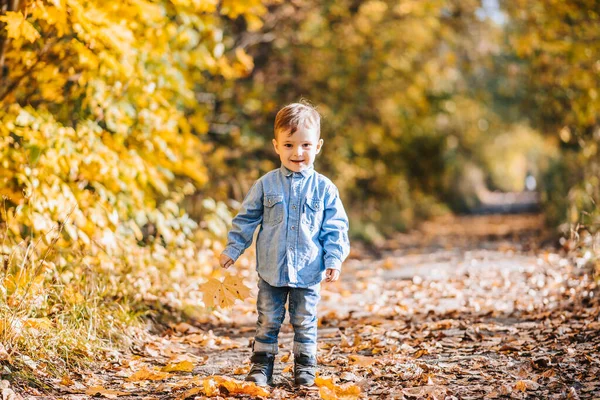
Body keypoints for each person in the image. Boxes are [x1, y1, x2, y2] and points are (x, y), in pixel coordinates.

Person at [219, 101, 350, 386]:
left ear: (318, 146)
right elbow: (246, 219)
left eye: (305, 145)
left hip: (308, 271)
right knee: (268, 320)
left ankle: (305, 368)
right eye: (289, 145)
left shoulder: (325, 189)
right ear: (276, 146)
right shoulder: (266, 185)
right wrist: (233, 249)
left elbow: (335, 228)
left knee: (305, 322)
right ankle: (261, 367)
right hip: (271, 270)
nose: (297, 152)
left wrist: (333, 260)